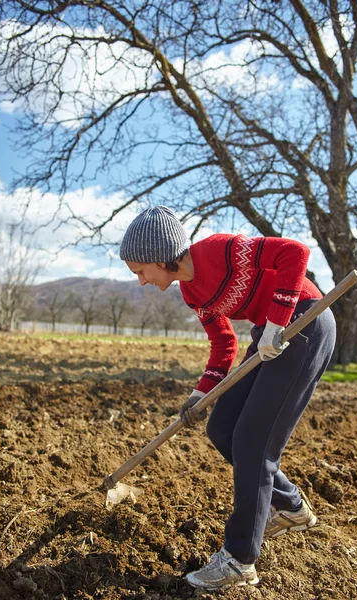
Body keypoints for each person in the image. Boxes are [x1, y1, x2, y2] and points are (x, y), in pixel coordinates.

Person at [120, 205, 336, 591]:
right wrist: (200, 393)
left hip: (306, 322)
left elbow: (294, 253)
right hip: (269, 337)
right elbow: (223, 342)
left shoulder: (218, 250)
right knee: (222, 427)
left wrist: (278, 319)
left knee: (254, 441)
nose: (140, 281)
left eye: (141, 271)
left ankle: (239, 561)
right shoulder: (191, 293)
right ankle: (290, 506)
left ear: (159, 256)